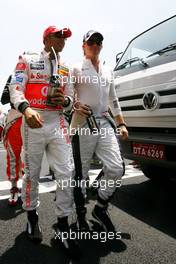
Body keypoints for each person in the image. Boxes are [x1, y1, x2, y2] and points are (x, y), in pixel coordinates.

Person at [9, 26, 77, 251]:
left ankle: (63, 223)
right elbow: (15, 87)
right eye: (58, 36)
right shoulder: (27, 58)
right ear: (46, 38)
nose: (62, 40)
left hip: (57, 121)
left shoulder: (66, 67)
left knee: (67, 171)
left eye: (64, 37)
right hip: (33, 122)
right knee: (32, 173)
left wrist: (64, 101)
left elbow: (69, 99)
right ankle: (31, 216)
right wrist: (26, 109)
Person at [71, 30, 128, 232]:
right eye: (91, 41)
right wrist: (75, 104)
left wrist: (121, 123)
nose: (95, 44)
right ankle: (80, 215)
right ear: (83, 45)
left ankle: (100, 208)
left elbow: (113, 99)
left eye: (99, 41)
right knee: (81, 174)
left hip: (104, 122)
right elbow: (68, 96)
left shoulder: (108, 69)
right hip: (82, 123)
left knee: (116, 168)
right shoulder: (76, 68)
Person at [1, 76, 23, 206]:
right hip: (16, 117)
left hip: (36, 117)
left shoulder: (45, 74)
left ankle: (29, 188)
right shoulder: (14, 76)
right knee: (13, 155)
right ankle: (14, 187)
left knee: (32, 157)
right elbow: (3, 99)